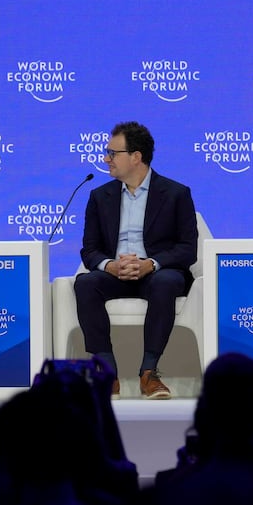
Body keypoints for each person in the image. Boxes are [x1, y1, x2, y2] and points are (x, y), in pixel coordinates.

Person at [72, 120, 198, 399]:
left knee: (165, 282)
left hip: (157, 273)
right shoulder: (99, 197)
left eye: (112, 153)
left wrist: (150, 263)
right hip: (115, 274)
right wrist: (110, 265)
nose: (106, 159)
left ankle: (149, 374)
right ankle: (107, 374)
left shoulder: (177, 194)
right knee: (85, 284)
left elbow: (188, 249)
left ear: (136, 157)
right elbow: (89, 249)